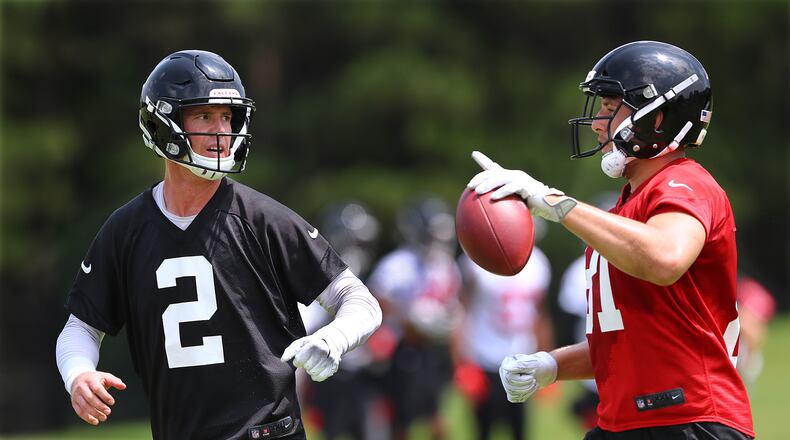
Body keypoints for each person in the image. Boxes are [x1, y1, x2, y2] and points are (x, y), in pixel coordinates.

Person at [55, 50, 382, 440]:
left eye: (227, 117)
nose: (222, 131)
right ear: (163, 123)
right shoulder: (126, 230)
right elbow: (81, 328)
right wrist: (79, 374)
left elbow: (358, 299)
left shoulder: (262, 218)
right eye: (205, 116)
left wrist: (334, 338)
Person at [468, 41, 754, 439]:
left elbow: (664, 258)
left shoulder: (686, 183)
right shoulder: (625, 211)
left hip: (690, 420)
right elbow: (630, 342)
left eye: (608, 108)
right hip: (626, 422)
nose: (598, 123)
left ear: (658, 117)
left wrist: (556, 203)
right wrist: (552, 365)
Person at [367, 196, 463, 440]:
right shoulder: (397, 265)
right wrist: (407, 316)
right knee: (401, 419)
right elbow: (374, 304)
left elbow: (453, 305)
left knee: (438, 418)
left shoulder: (446, 265)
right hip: (401, 350)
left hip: (433, 351)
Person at [452, 237, 553, 440]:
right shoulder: (475, 259)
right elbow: (460, 313)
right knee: (483, 430)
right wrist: (462, 364)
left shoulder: (538, 263)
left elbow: (539, 315)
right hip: (484, 358)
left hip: (521, 358)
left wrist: (549, 359)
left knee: (520, 430)